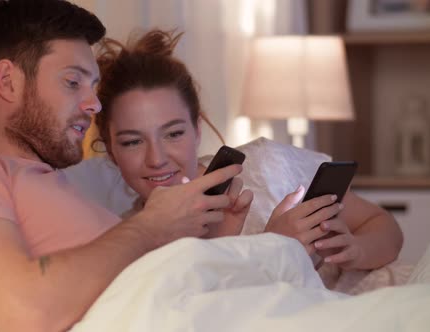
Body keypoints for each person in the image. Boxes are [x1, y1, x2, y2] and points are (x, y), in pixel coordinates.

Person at [0, 1, 244, 331]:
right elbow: (26, 309)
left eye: (92, 87)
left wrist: (224, 245)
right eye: (72, 82)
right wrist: (151, 225)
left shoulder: (58, 188)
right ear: (7, 82)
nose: (94, 105)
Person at [93, 29, 403, 272]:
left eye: (173, 133)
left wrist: (353, 251)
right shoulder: (127, 242)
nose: (156, 159)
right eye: (132, 141)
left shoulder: (266, 167)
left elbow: (383, 226)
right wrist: (273, 247)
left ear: (197, 129)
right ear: (109, 149)